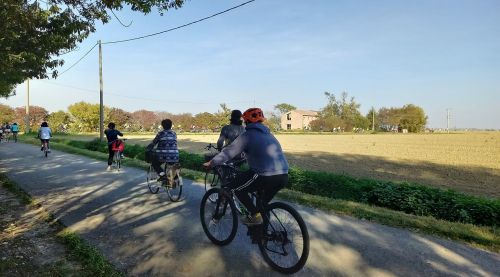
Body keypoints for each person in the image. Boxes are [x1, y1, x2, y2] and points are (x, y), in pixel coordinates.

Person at [203, 108, 289, 225]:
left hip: (263, 175)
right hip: (283, 175)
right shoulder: (270, 135)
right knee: (262, 205)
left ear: (247, 121)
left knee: (236, 188)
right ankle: (263, 234)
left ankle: (254, 215)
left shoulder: (247, 135)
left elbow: (228, 152)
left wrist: (211, 162)